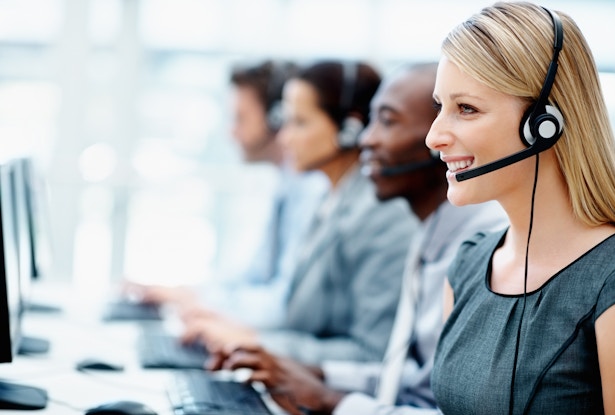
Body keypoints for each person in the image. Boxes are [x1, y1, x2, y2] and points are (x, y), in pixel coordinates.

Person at [205, 62, 508, 414]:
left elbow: (440, 400)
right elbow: (412, 378)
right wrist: (316, 374)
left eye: (388, 121)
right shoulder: (429, 231)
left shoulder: (475, 245)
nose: (367, 138)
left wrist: (331, 398)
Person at [426, 2, 615, 414]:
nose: (434, 136)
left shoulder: (613, 281)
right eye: (439, 106)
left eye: (466, 109)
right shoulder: (468, 263)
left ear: (543, 125)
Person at [180, 60, 418, 365]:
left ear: (350, 128)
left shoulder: (382, 215)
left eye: (300, 123)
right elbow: (293, 308)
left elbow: (373, 355)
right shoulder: (328, 198)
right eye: (285, 121)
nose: (284, 137)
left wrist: (256, 343)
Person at [124, 60, 328, 329]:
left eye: (240, 118)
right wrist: (187, 295)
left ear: (275, 119)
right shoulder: (286, 183)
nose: (232, 132)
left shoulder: (312, 191)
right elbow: (251, 276)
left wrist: (200, 305)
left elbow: (282, 305)